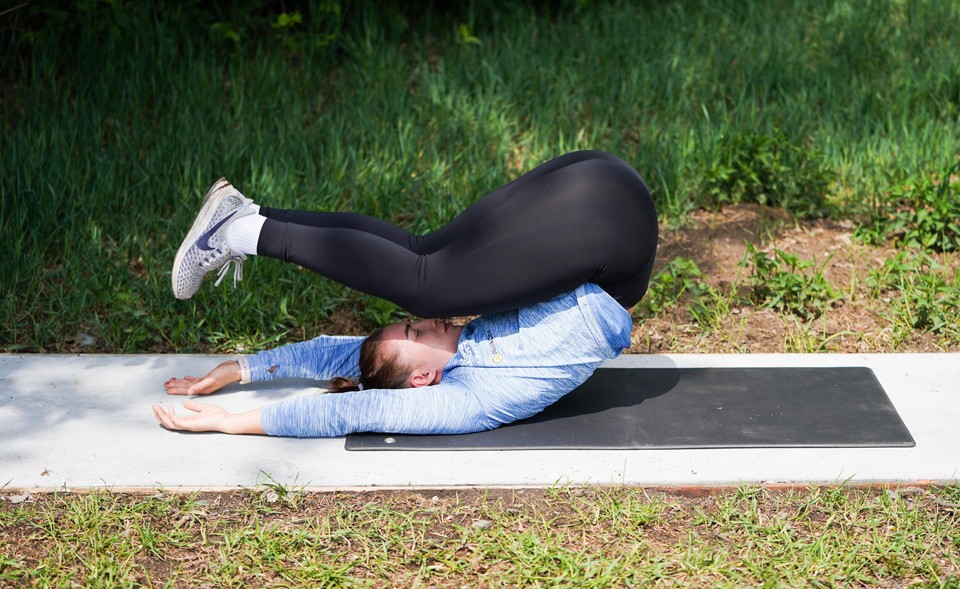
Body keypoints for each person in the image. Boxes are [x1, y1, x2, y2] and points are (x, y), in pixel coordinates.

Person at [152, 150, 658, 437]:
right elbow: (353, 409)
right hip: (613, 237)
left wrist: (243, 369)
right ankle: (241, 229)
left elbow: (339, 354)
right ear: (422, 379)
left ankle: (250, 220)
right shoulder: (469, 400)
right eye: (415, 332)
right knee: (427, 284)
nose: (430, 323)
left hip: (594, 193)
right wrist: (230, 423)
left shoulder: (435, 355)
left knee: (423, 256)